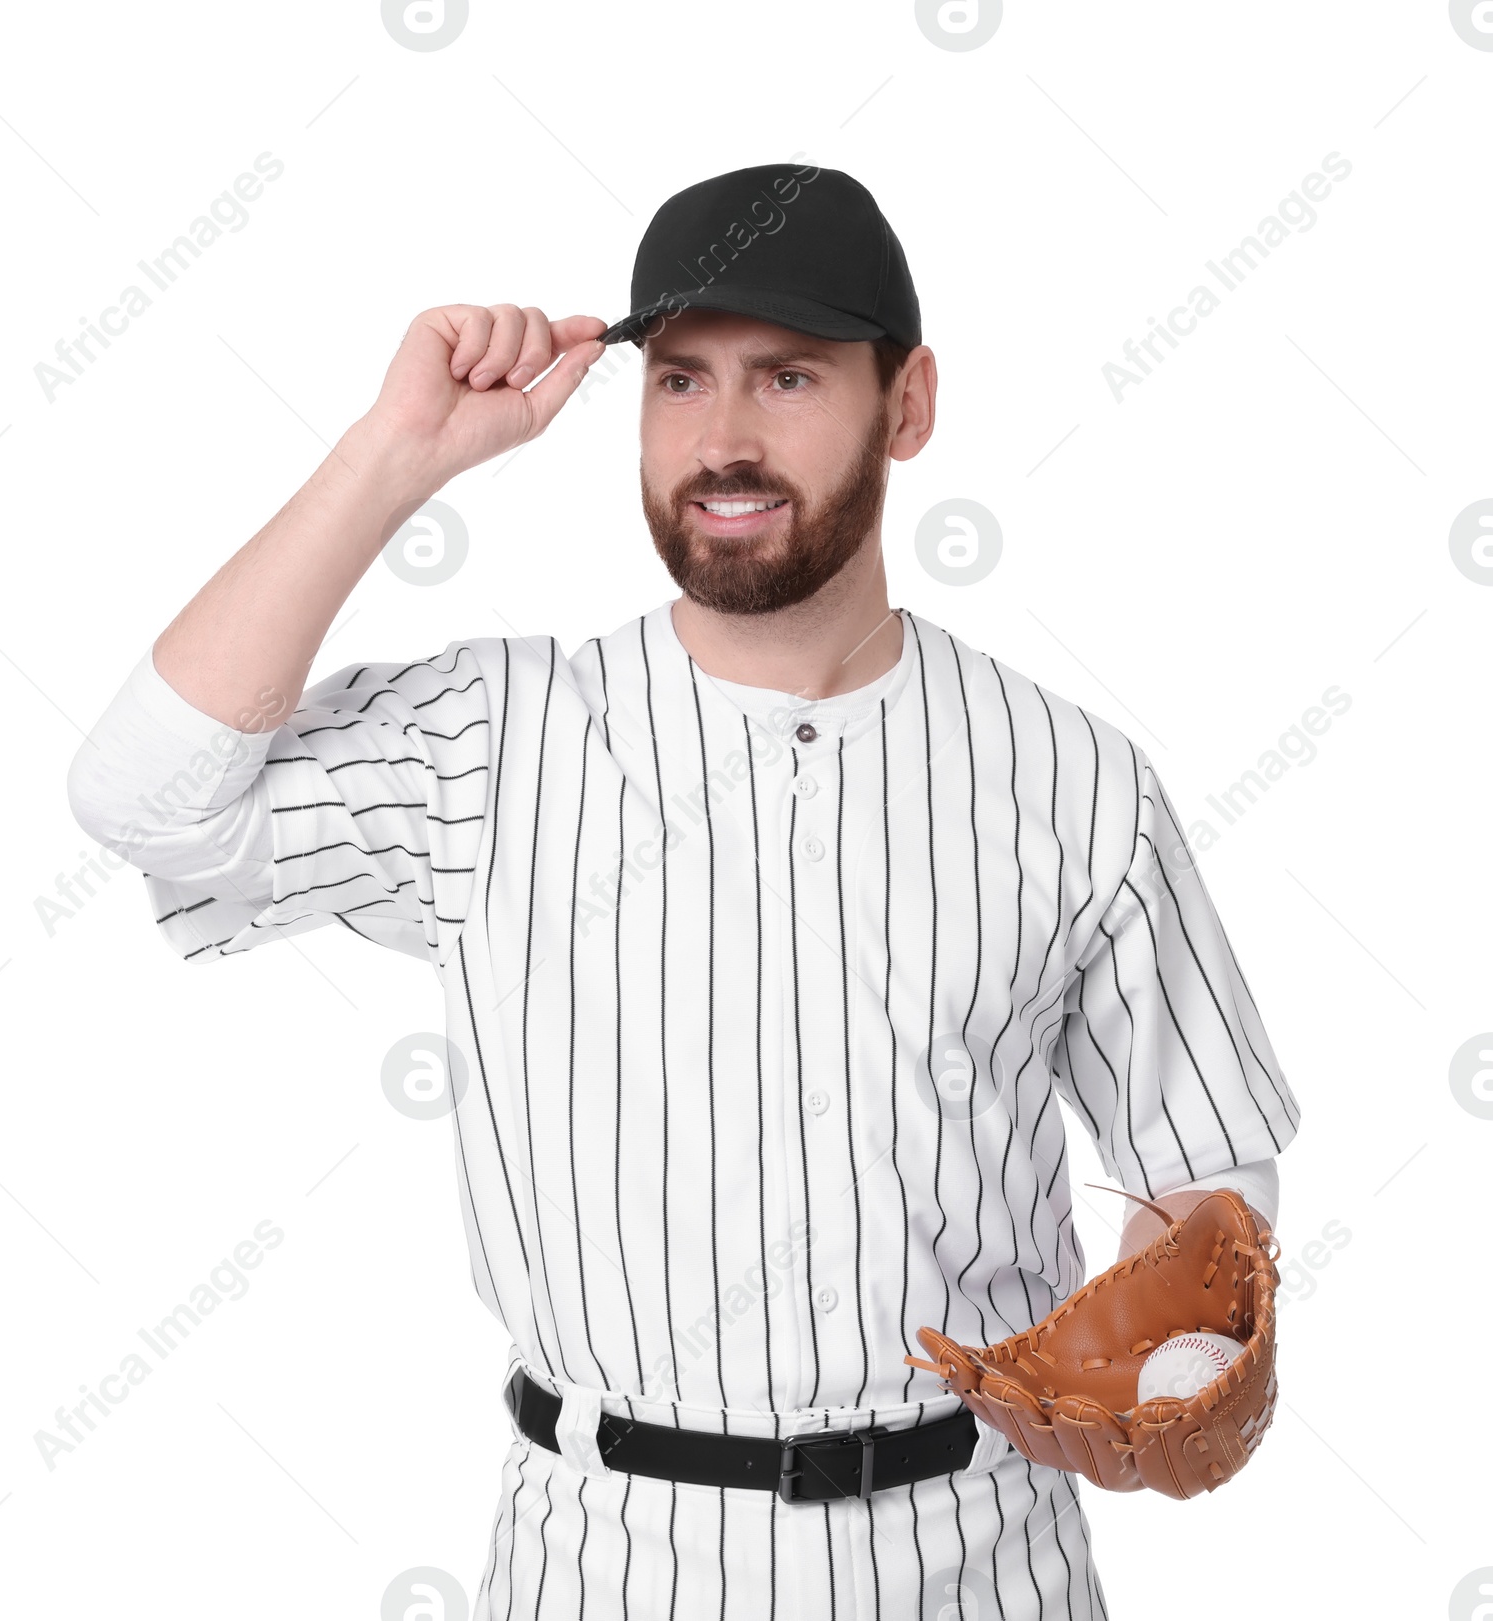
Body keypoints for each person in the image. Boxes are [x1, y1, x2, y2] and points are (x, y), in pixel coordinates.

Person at [67, 163, 1298, 1619]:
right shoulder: (497, 739)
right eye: (679, 380)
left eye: (786, 377)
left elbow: (1202, 1168)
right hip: (605, 1559)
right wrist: (397, 451)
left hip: (975, 1559)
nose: (722, 439)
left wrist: (1186, 1343)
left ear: (906, 404)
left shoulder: (1072, 776)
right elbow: (143, 799)